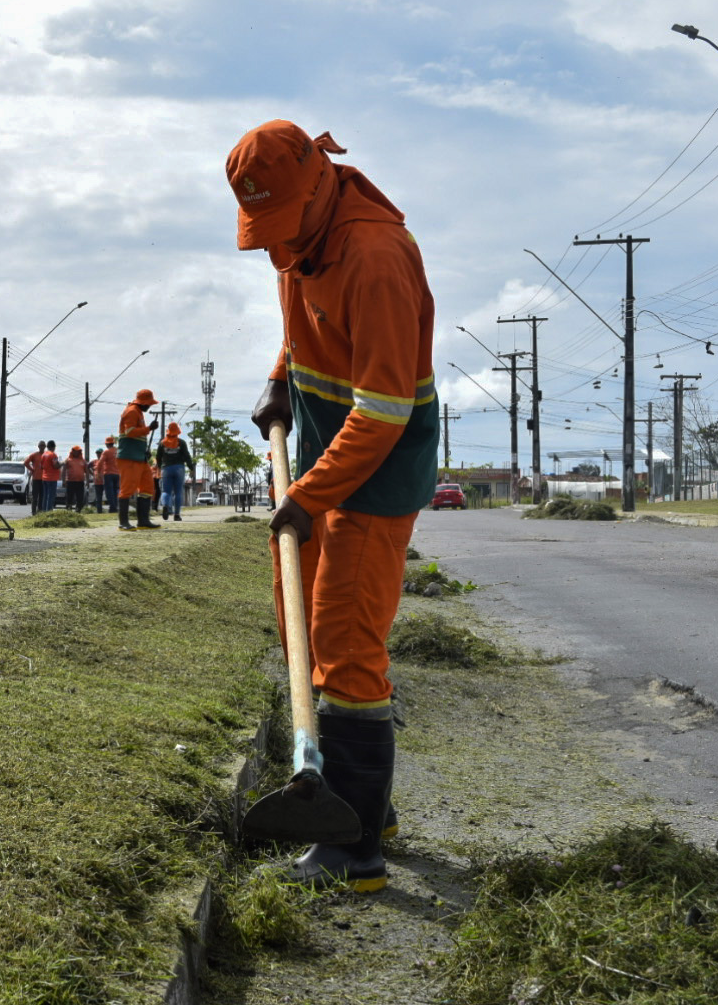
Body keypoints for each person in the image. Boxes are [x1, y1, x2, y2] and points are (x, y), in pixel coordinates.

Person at [228, 119, 439, 893]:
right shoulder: (302, 238)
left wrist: (306, 496)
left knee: (347, 645)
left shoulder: (377, 258)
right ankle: (364, 806)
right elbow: (302, 319)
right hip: (320, 451)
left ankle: (355, 856)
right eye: (266, 233)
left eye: (285, 229)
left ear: (319, 183)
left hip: (374, 475)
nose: (278, 251)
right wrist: (280, 376)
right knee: (301, 623)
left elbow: (382, 412)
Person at [115, 390, 162, 531]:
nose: (149, 407)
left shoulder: (139, 413)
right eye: (148, 404)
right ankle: (123, 522)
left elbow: (138, 437)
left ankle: (143, 521)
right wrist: (149, 428)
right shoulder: (131, 411)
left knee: (148, 487)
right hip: (129, 458)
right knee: (127, 489)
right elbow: (129, 432)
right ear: (142, 402)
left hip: (140, 457)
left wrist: (144, 450)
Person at [155, 421, 194, 520]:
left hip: (166, 469)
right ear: (177, 432)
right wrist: (191, 468)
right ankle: (176, 515)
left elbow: (158, 457)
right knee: (178, 492)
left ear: (168, 432)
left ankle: (165, 506)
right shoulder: (181, 443)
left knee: (166, 491)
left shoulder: (162, 443)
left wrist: (159, 467)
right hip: (179, 468)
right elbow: (187, 456)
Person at [63, 445, 88, 511]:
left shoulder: (83, 461)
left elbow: (87, 472)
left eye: (79, 451)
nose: (77, 452)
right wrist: (63, 481)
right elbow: (64, 471)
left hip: (80, 482)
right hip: (70, 482)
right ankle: (68, 510)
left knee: (80, 498)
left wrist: (87, 482)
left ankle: (78, 510)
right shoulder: (68, 460)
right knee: (69, 498)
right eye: (76, 451)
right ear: (73, 451)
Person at [99, 436, 120, 513]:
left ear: (107, 444)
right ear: (113, 443)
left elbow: (100, 463)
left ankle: (113, 507)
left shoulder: (106, 452)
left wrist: (98, 473)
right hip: (117, 474)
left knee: (109, 492)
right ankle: (114, 507)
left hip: (108, 474)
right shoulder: (118, 451)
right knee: (115, 491)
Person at [40, 439, 62, 512]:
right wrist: (62, 464)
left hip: (44, 478)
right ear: (54, 447)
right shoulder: (53, 455)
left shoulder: (43, 455)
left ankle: (44, 511)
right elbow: (56, 466)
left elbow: (41, 466)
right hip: (51, 478)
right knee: (51, 496)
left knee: (45, 496)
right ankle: (49, 511)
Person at [23, 441, 46, 509]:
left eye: (43, 445)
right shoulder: (34, 455)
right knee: (35, 496)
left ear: (45, 447)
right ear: (38, 446)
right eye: (41, 445)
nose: (42, 447)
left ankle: (40, 510)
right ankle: (33, 511)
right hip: (36, 479)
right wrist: (32, 469)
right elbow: (26, 463)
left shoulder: (47, 455)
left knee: (42, 496)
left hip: (44, 479)